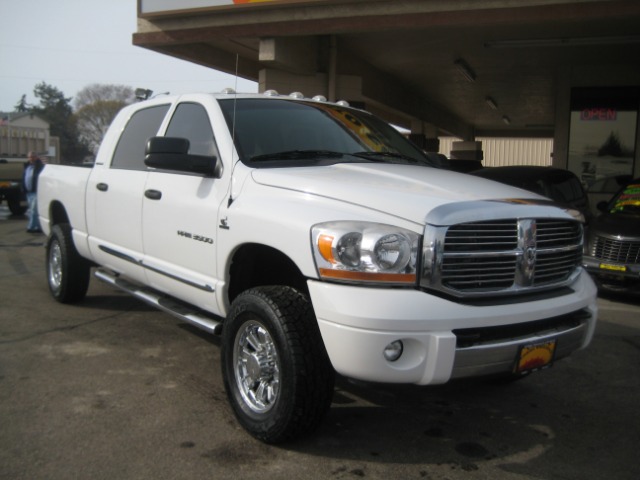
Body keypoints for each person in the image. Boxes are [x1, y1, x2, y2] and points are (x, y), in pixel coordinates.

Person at [23, 151, 44, 233]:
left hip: (36, 192)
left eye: (33, 157)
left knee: (33, 210)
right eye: (30, 157)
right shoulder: (27, 167)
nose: (31, 158)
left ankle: (31, 227)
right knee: (32, 210)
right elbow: (24, 177)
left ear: (36, 157)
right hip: (29, 192)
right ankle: (37, 226)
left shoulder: (40, 167)